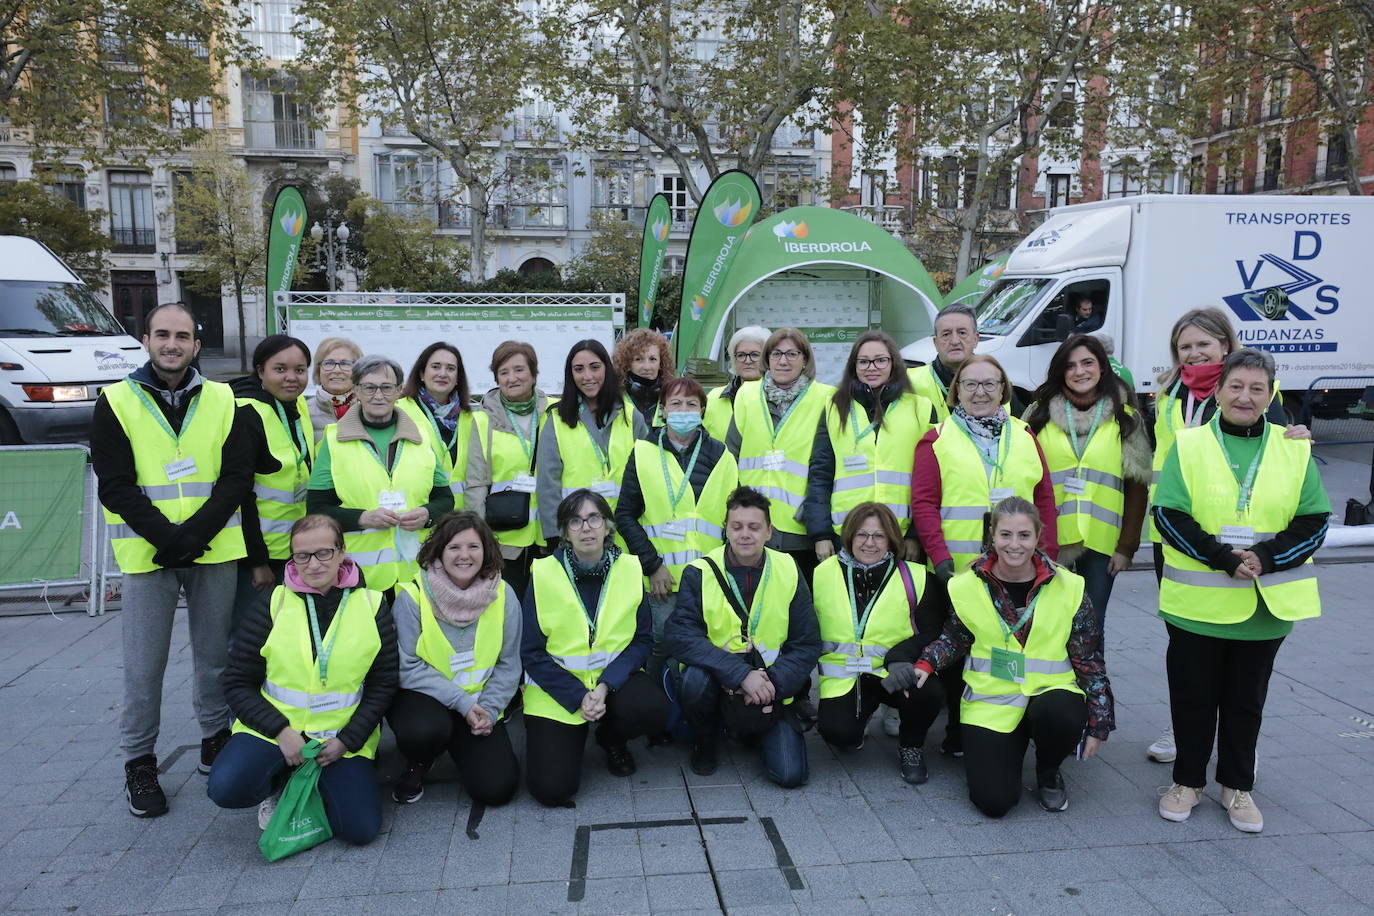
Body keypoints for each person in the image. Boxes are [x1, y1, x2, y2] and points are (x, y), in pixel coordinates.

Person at [1153, 348, 1328, 834]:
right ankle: (1187, 781)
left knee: (1245, 701)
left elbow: (1314, 521)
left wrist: (1267, 557)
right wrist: (1223, 557)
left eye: (1256, 388)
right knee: (1192, 697)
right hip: (1198, 605)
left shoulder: (1293, 448)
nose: (1245, 397)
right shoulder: (1188, 446)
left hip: (1263, 607)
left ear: (1270, 394)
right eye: (1236, 386)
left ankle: (1237, 784)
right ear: (1218, 390)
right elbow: (1169, 514)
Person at [91, 302, 253, 817]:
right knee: (144, 666)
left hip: (212, 549)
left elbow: (235, 477)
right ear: (146, 340)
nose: (172, 344)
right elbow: (115, 485)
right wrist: (169, 537)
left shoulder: (224, 398)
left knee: (214, 658)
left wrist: (195, 535)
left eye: (182, 336)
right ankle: (139, 760)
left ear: (196, 346)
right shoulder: (115, 401)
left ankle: (213, 738)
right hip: (147, 555)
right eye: (162, 334)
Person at [1145, 307, 1306, 765]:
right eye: (1185, 346)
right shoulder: (1167, 394)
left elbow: (1280, 445)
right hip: (1176, 532)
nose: (1194, 353)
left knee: (1239, 647)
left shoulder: (1250, 390)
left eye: (1203, 344)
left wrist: (1298, 435)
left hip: (1244, 538)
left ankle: (1236, 748)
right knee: (1186, 638)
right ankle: (1186, 731)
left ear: (1225, 345)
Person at [914, 497, 1113, 816]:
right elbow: (955, 636)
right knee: (994, 803)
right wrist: (926, 663)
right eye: (1006, 535)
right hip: (992, 699)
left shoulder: (1070, 587)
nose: (1015, 544)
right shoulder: (966, 585)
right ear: (992, 535)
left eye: (1024, 535)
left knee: (1061, 714)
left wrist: (1099, 721)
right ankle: (1011, 745)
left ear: (1038, 537)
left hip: (1049, 693)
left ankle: (1048, 770)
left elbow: (1089, 660)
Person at [209, 515, 397, 844]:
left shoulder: (373, 604)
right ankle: (281, 781)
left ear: (342, 552)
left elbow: (383, 685)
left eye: (324, 552)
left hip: (340, 737)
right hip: (277, 732)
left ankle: (315, 781)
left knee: (360, 830)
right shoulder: (272, 603)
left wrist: (347, 741)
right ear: (292, 557)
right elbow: (237, 682)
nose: (313, 564)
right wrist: (282, 732)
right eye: (302, 556)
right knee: (227, 787)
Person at [911, 353, 1057, 757]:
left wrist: (1048, 553)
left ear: (1003, 389)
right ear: (956, 390)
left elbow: (1044, 498)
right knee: (959, 652)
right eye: (970, 384)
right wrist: (939, 558)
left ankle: (1009, 726)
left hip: (1017, 568)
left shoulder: (1025, 435)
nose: (980, 392)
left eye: (989, 384)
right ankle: (960, 732)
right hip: (957, 571)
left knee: (1007, 645)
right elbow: (924, 503)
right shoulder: (937, 439)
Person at [521, 490, 670, 806]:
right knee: (552, 790)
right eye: (575, 521)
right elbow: (531, 652)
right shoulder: (544, 573)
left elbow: (642, 639)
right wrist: (579, 697)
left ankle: (610, 738)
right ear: (564, 532)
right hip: (558, 688)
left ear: (607, 526)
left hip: (611, 681)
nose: (585, 528)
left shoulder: (630, 569)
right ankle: (570, 733)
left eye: (593, 518)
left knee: (654, 709)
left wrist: (603, 687)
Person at [666, 487, 822, 786]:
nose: (745, 534)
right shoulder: (699, 571)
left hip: (771, 683)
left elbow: (807, 643)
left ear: (769, 532)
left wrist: (769, 684)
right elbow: (681, 636)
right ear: (725, 529)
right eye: (736, 526)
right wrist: (739, 675)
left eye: (754, 527)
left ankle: (752, 727)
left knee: (790, 775)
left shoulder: (788, 568)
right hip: (718, 677)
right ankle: (705, 739)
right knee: (694, 680)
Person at [387, 511, 521, 807]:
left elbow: (509, 664)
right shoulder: (412, 596)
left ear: (486, 551)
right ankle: (420, 760)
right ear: (439, 552)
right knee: (423, 732)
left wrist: (489, 709)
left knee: (496, 790)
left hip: (479, 702)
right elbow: (407, 666)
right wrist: (462, 703)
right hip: (426, 701)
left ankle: (464, 742)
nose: (464, 555)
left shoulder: (503, 594)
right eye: (454, 547)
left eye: (473, 546)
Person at [615, 377, 739, 681]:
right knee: (660, 644)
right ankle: (660, 710)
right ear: (663, 411)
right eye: (676, 404)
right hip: (662, 580)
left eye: (691, 404)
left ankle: (694, 713)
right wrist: (652, 565)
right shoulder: (643, 452)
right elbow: (625, 515)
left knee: (707, 644)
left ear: (702, 411)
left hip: (709, 576)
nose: (683, 410)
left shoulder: (721, 456)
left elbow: (731, 521)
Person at [1024, 334, 1150, 633]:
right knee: (1048, 626)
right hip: (1048, 542)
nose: (1080, 371)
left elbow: (1137, 488)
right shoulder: (1038, 415)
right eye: (1070, 366)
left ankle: (1092, 682)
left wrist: (1127, 547)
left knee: (1090, 630)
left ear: (1103, 367)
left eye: (1087, 363)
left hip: (1101, 545)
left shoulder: (1125, 418)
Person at [813, 503, 945, 784]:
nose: (869, 543)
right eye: (861, 535)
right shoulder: (822, 574)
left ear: (891, 540)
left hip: (894, 672)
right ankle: (858, 723)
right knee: (839, 735)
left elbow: (934, 630)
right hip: (845, 675)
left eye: (878, 536)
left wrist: (902, 656)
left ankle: (911, 746)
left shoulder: (917, 577)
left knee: (928, 693)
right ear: (849, 536)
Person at [306, 355, 453, 593]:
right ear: (356, 390)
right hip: (359, 576)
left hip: (417, 573)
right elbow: (317, 509)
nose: (378, 395)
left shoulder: (421, 437)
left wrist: (427, 514)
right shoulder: (334, 439)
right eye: (369, 387)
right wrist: (363, 518)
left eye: (386, 388)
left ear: (398, 391)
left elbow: (445, 500)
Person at [804, 330, 934, 560]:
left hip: (899, 535)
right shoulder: (835, 408)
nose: (871, 367)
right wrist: (820, 534)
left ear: (893, 363)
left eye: (880, 360)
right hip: (846, 533)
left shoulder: (920, 408)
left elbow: (931, 480)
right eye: (863, 361)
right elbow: (820, 473)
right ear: (853, 365)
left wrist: (916, 535)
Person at [726, 327, 836, 587]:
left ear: (805, 359)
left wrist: (814, 516)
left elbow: (829, 466)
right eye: (776, 353)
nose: (783, 361)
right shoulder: (746, 395)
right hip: (751, 527)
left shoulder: (827, 398)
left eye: (792, 353)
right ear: (767, 358)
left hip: (799, 530)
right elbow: (730, 457)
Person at [232, 334, 316, 635]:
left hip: (293, 549)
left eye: (300, 369)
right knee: (250, 638)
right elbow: (240, 494)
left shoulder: (297, 407)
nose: (291, 378)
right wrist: (257, 562)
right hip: (261, 556)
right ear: (260, 371)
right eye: (280, 369)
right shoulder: (247, 413)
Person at [465, 341, 555, 601]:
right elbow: (476, 484)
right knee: (509, 612)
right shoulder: (483, 420)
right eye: (503, 372)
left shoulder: (555, 412)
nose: (512, 378)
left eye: (519, 370)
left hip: (550, 536)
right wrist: (481, 540)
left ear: (533, 373)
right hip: (504, 541)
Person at [537, 339, 645, 545]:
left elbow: (646, 478)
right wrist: (555, 537)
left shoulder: (632, 417)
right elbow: (548, 486)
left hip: (626, 536)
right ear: (571, 375)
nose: (587, 376)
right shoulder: (557, 420)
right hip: (578, 537)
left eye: (595, 367)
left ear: (607, 368)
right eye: (579, 369)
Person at [398, 341, 485, 511]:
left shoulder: (472, 419)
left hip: (460, 519)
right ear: (422, 373)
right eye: (436, 367)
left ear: (458, 378)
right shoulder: (399, 411)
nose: (443, 374)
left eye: (450, 368)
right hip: (417, 515)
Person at [908, 304, 978, 424]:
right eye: (946, 334)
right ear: (935, 343)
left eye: (962, 333)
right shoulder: (909, 383)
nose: (955, 341)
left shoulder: (997, 383)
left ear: (976, 339)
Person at [704, 325, 770, 440]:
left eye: (755, 354)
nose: (747, 360)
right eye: (741, 355)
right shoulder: (714, 397)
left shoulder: (778, 397)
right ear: (733, 359)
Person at [614, 328, 675, 428]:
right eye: (639, 359)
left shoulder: (673, 397)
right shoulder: (614, 398)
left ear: (661, 363)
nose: (647, 367)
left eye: (652, 359)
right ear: (627, 363)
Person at [308, 337, 363, 441]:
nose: (337, 370)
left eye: (345, 363)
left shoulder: (370, 410)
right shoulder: (303, 413)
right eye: (329, 363)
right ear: (318, 369)